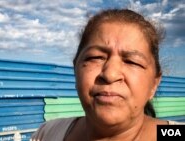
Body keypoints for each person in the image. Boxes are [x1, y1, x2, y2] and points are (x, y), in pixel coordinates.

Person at [31, 9, 185, 141]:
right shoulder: (48, 133)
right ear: (76, 69)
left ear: (154, 84)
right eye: (95, 58)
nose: (110, 74)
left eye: (132, 61)